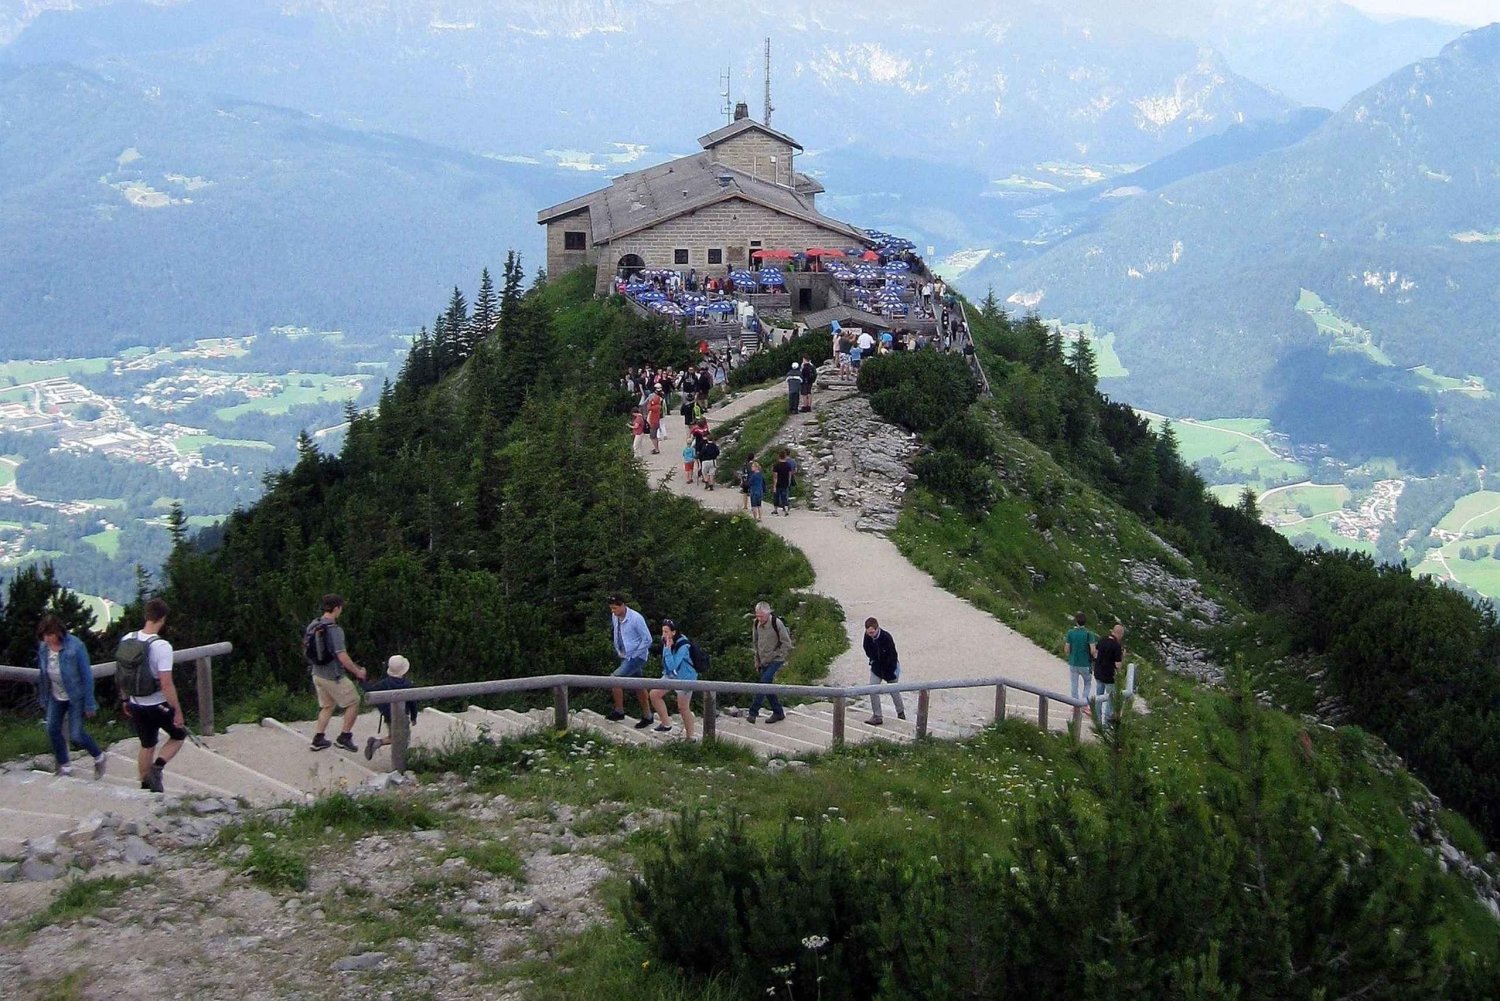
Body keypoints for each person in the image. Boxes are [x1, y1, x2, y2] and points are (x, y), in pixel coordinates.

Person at [119, 599, 186, 791]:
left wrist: (125, 698)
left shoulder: (127, 639)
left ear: (146, 615)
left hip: (135, 701)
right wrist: (177, 711)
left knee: (147, 744)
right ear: (162, 619)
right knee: (179, 735)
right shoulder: (162, 646)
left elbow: (123, 675)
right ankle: (157, 769)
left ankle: (144, 786)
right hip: (157, 703)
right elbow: (166, 682)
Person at [35, 615, 106, 780]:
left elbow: (87, 676)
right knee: (52, 728)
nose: (47, 639)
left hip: (75, 696)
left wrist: (89, 703)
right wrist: (43, 697)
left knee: (76, 735)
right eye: (44, 636)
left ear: (58, 632)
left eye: (49, 635)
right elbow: (43, 674)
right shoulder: (44, 648)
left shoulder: (76, 646)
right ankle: (64, 765)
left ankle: (99, 756)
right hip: (55, 694)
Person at [305, 594, 368, 752]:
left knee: (327, 706)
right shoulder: (334, 630)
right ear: (337, 608)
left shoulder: (314, 624)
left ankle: (318, 738)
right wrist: (358, 672)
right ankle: (344, 737)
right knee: (353, 701)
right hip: (333, 676)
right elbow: (342, 656)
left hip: (317, 673)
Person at [607, 595, 654, 727]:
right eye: (611, 608)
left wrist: (636, 653)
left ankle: (619, 710)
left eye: (615, 608)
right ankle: (647, 715)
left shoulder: (636, 618)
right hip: (624, 655)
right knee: (639, 685)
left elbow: (648, 639)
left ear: (622, 605)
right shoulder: (615, 617)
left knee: (614, 679)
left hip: (635, 656)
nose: (613, 611)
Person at [363, 654, 419, 760]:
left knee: (394, 736)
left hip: (388, 716)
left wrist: (362, 680)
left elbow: (370, 691)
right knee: (403, 739)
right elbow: (413, 703)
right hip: (402, 716)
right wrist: (414, 717)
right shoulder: (408, 685)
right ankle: (400, 761)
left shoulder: (384, 683)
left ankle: (377, 743)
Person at [648, 619, 697, 738]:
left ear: (673, 632)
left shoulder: (683, 645)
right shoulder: (667, 641)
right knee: (654, 694)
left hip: (685, 678)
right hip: (671, 675)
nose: (663, 635)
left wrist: (667, 649)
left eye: (666, 631)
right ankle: (666, 724)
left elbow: (673, 664)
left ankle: (690, 737)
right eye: (663, 631)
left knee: (683, 707)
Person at [748, 602, 793, 724]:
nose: (759, 619)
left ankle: (753, 712)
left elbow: (787, 643)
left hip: (776, 659)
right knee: (767, 685)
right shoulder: (756, 623)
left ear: (768, 613)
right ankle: (778, 712)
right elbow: (755, 643)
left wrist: (778, 654)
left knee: (763, 682)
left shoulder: (776, 623)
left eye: (762, 616)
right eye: (757, 616)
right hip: (763, 660)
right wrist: (756, 661)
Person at [862, 617, 906, 725]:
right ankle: (877, 716)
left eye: (872, 632)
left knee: (894, 690)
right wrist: (873, 660)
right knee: (872, 689)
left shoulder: (886, 637)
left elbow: (893, 655)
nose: (870, 635)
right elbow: (866, 649)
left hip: (890, 667)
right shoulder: (867, 636)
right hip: (876, 667)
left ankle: (901, 713)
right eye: (868, 633)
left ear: (877, 629)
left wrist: (890, 671)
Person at [1062, 612, 1098, 706]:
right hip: (1085, 663)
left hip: (1073, 662)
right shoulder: (1089, 634)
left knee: (1074, 684)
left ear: (1076, 621)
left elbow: (1066, 649)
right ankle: (1083, 702)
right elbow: (1093, 650)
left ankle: (1074, 704)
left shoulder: (1070, 633)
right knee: (1087, 683)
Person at [1093, 623, 1126, 724]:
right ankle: (1107, 721)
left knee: (1098, 697)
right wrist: (1123, 657)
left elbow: (1095, 653)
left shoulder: (1102, 640)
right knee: (1110, 698)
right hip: (1109, 676)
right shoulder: (1116, 646)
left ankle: (1097, 721)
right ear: (1119, 634)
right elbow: (1118, 665)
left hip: (1098, 672)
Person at [771, 449, 795, 516]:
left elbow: (775, 477)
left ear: (779, 456)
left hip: (778, 483)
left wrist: (774, 486)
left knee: (776, 497)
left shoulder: (776, 465)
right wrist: (789, 482)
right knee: (784, 497)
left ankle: (775, 510)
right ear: (785, 456)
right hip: (785, 483)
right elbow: (789, 475)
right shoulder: (788, 465)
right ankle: (786, 510)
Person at [647, 385, 664, 453]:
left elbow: (648, 407)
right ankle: (656, 448)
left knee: (652, 436)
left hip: (653, 422)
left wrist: (650, 401)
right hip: (656, 421)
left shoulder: (654, 407)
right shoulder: (659, 406)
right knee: (655, 436)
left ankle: (656, 449)